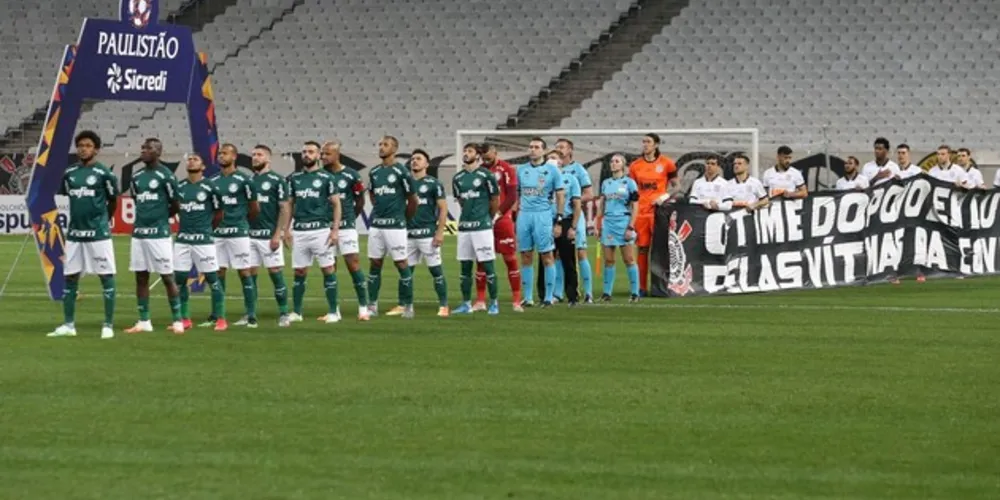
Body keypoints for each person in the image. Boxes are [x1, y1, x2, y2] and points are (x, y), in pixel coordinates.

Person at [48, 130, 119, 339]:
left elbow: (112, 200)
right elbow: (64, 196)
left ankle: (108, 325)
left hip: (98, 234)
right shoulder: (70, 174)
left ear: (96, 149)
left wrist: (103, 221)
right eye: (80, 145)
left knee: (106, 276)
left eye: (88, 145)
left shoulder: (105, 173)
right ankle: (69, 325)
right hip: (75, 235)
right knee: (70, 277)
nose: (83, 148)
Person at [124, 138, 184, 334]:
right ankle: (143, 321)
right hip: (139, 234)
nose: (143, 151)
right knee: (141, 277)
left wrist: (160, 217)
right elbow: (136, 199)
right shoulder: (137, 177)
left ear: (158, 152)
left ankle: (177, 321)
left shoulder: (166, 176)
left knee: (167, 276)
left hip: (159, 235)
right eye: (142, 148)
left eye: (148, 148)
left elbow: (175, 204)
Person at [284, 140, 342, 323]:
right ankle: (297, 312)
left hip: (320, 231)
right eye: (304, 152)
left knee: (328, 269)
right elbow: (289, 205)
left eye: (310, 152)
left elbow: (336, 204)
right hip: (300, 231)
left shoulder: (327, 178)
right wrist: (286, 229)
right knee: (299, 272)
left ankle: (333, 311)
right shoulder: (294, 179)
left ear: (318, 155)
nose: (306, 155)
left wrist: (335, 230)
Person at [172, 154, 226, 331]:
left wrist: (208, 229)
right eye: (189, 159)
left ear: (203, 167)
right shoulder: (179, 187)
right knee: (179, 279)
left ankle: (221, 319)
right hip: (183, 240)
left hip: (203, 240)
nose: (191, 161)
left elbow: (219, 213)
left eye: (196, 159)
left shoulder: (211, 187)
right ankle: (185, 318)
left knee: (212, 278)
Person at [366, 136, 418, 318]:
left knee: (402, 263)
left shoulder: (401, 172)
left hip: (395, 226)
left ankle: (408, 305)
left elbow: (413, 200)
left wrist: (403, 217)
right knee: (375, 263)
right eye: (380, 144)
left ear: (394, 149)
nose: (381, 147)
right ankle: (372, 305)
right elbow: (372, 194)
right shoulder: (374, 172)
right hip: (377, 225)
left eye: (385, 145)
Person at [212, 143, 260, 327]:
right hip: (218, 234)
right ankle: (219, 314)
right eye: (219, 154)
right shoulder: (213, 181)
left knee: (244, 271)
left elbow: (254, 208)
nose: (221, 156)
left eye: (225, 153)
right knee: (218, 272)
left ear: (234, 157)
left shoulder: (244, 180)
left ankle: (251, 314)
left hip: (238, 232)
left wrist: (240, 222)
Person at [321, 141, 370, 321]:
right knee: (329, 268)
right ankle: (334, 310)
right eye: (322, 154)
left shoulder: (352, 175)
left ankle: (363, 308)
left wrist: (349, 219)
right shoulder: (320, 175)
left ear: (337, 155)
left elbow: (360, 201)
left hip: (346, 228)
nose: (323, 157)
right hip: (324, 229)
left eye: (327, 154)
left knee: (353, 265)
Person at [452, 144, 502, 314]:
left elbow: (495, 199)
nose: (466, 154)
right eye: (465, 151)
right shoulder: (458, 178)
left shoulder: (486, 175)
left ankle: (494, 303)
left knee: (488, 266)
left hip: (482, 227)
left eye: (470, 151)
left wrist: (488, 217)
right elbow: (461, 200)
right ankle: (466, 303)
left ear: (478, 155)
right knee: (465, 267)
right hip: (465, 227)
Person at [473, 144, 522, 312]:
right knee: (482, 260)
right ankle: (480, 301)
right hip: (484, 220)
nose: (485, 159)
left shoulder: (507, 169)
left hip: (502, 220)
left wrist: (499, 214)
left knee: (510, 259)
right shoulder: (478, 171)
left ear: (495, 153)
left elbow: (512, 195)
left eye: (488, 156)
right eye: (483, 156)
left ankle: (516, 301)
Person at [515, 137, 564, 307]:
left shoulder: (553, 171)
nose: (533, 149)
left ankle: (548, 297)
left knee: (547, 256)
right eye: (530, 146)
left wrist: (559, 217)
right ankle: (528, 298)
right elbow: (518, 193)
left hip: (542, 216)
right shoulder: (521, 170)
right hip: (524, 215)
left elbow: (560, 194)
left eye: (536, 147)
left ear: (543, 151)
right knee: (526, 255)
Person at [248, 144, 293, 327]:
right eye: (253, 155)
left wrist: (278, 234)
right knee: (249, 275)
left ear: (268, 159)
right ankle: (250, 314)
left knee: (275, 273)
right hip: (250, 236)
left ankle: (283, 313)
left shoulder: (277, 180)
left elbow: (284, 208)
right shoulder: (249, 181)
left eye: (259, 155)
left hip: (269, 236)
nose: (255, 158)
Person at [628, 133, 677, 297]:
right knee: (642, 249)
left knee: (661, 250)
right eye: (643, 141)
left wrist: (664, 197)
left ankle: (661, 286)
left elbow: (677, 186)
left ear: (656, 145)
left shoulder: (667, 163)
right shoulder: (635, 166)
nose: (645, 144)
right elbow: (632, 191)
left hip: (659, 212)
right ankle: (641, 287)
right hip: (641, 213)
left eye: (648, 142)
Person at [406, 149, 449, 317]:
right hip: (408, 235)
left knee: (436, 271)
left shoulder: (433, 183)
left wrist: (439, 232)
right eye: (412, 159)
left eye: (418, 159)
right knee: (406, 273)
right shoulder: (406, 183)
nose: (414, 161)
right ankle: (407, 306)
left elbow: (443, 209)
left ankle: (444, 305)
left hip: (427, 235)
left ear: (426, 164)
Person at [554, 138, 594, 303]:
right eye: (557, 147)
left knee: (581, 253)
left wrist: (575, 199)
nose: (559, 149)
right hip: (557, 217)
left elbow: (589, 194)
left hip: (574, 217)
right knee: (556, 254)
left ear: (570, 150)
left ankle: (588, 292)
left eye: (562, 147)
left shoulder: (577, 169)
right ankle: (557, 293)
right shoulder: (552, 169)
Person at [596, 154, 640, 302]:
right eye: (612, 161)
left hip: (623, 222)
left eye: (617, 161)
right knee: (608, 260)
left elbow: (635, 206)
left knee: (628, 259)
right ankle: (607, 293)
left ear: (623, 165)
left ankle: (635, 293)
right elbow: (601, 205)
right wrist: (598, 224)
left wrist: (631, 226)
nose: (613, 164)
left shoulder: (629, 183)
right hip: (608, 223)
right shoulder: (606, 183)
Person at [548, 150, 583, 306]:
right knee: (547, 259)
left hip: (565, 221)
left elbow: (577, 205)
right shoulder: (543, 180)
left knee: (568, 260)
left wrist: (573, 227)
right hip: (546, 221)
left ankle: (572, 295)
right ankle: (548, 295)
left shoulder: (571, 179)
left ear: (561, 162)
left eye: (554, 158)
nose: (551, 160)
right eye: (549, 158)